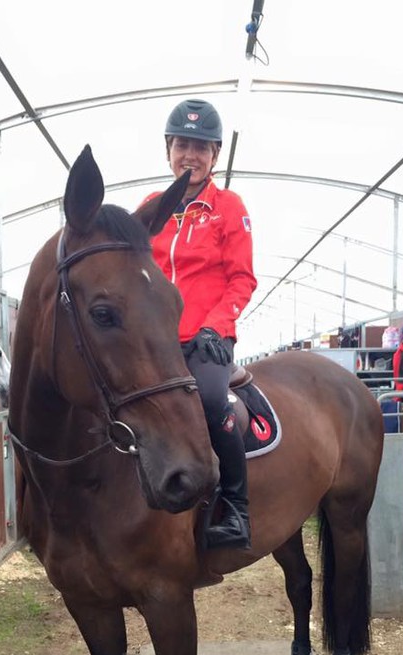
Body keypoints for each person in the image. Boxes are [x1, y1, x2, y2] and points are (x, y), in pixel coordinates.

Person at [140, 98, 258, 549]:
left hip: (207, 340)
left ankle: (237, 508)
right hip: (156, 341)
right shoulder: (151, 206)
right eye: (182, 145)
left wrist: (216, 325)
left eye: (201, 147)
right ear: (168, 149)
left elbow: (241, 278)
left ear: (214, 155)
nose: (190, 154)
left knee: (210, 400)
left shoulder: (228, 206)